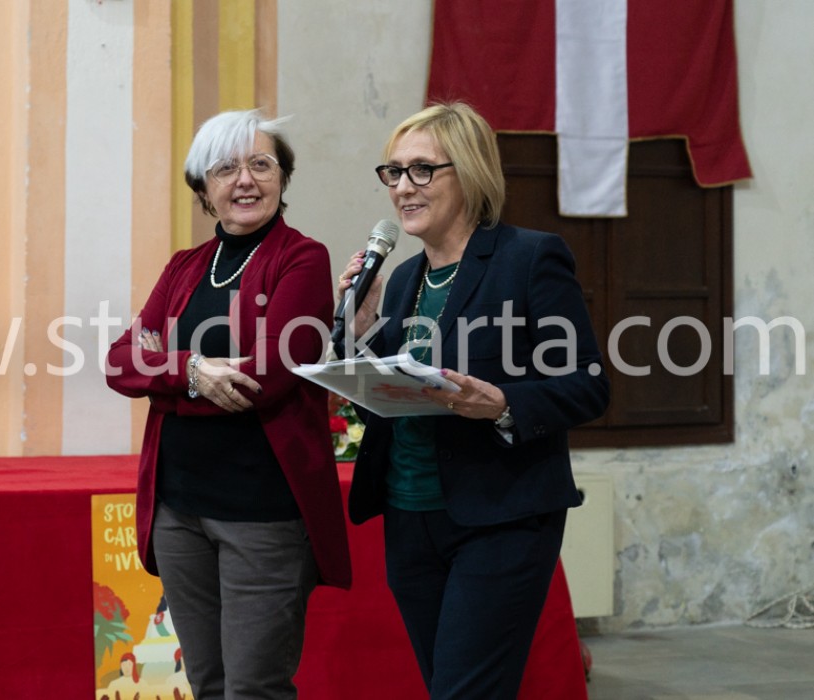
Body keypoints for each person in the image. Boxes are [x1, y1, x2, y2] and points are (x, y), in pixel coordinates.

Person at [335, 102, 610, 698]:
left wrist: (504, 404)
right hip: (409, 514)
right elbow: (388, 394)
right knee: (447, 687)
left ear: (471, 172)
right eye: (393, 172)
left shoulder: (529, 258)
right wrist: (359, 332)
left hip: (500, 517)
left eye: (421, 170)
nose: (402, 187)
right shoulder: (402, 280)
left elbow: (588, 385)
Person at [106, 108, 351, 700]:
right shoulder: (184, 267)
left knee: (253, 689)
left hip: (261, 513)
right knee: (208, 684)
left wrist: (166, 377)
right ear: (203, 188)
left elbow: (265, 377)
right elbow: (118, 362)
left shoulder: (303, 259)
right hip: (178, 512)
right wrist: (191, 371)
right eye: (225, 168)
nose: (245, 180)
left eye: (261, 164)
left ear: (283, 178)